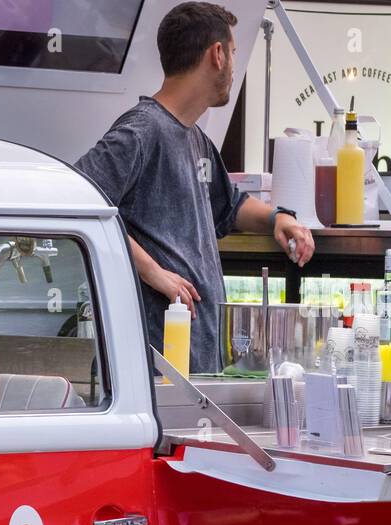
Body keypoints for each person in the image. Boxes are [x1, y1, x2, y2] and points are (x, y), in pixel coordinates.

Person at [74, 2, 315, 374]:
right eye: (233, 53)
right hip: (154, 366)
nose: (234, 67)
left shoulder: (197, 140)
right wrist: (153, 271)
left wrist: (277, 219)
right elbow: (80, 200)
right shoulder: (140, 132)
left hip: (199, 359)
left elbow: (229, 206)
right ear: (217, 55)